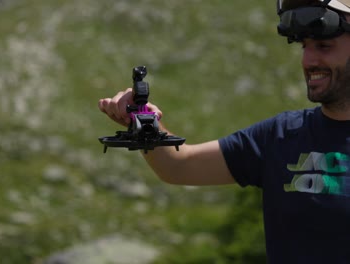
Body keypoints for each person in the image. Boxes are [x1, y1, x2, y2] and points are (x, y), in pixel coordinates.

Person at [98, 0, 350, 263]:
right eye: (304, 46)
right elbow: (179, 166)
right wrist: (143, 120)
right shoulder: (283, 135)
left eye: (324, 46)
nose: (309, 60)